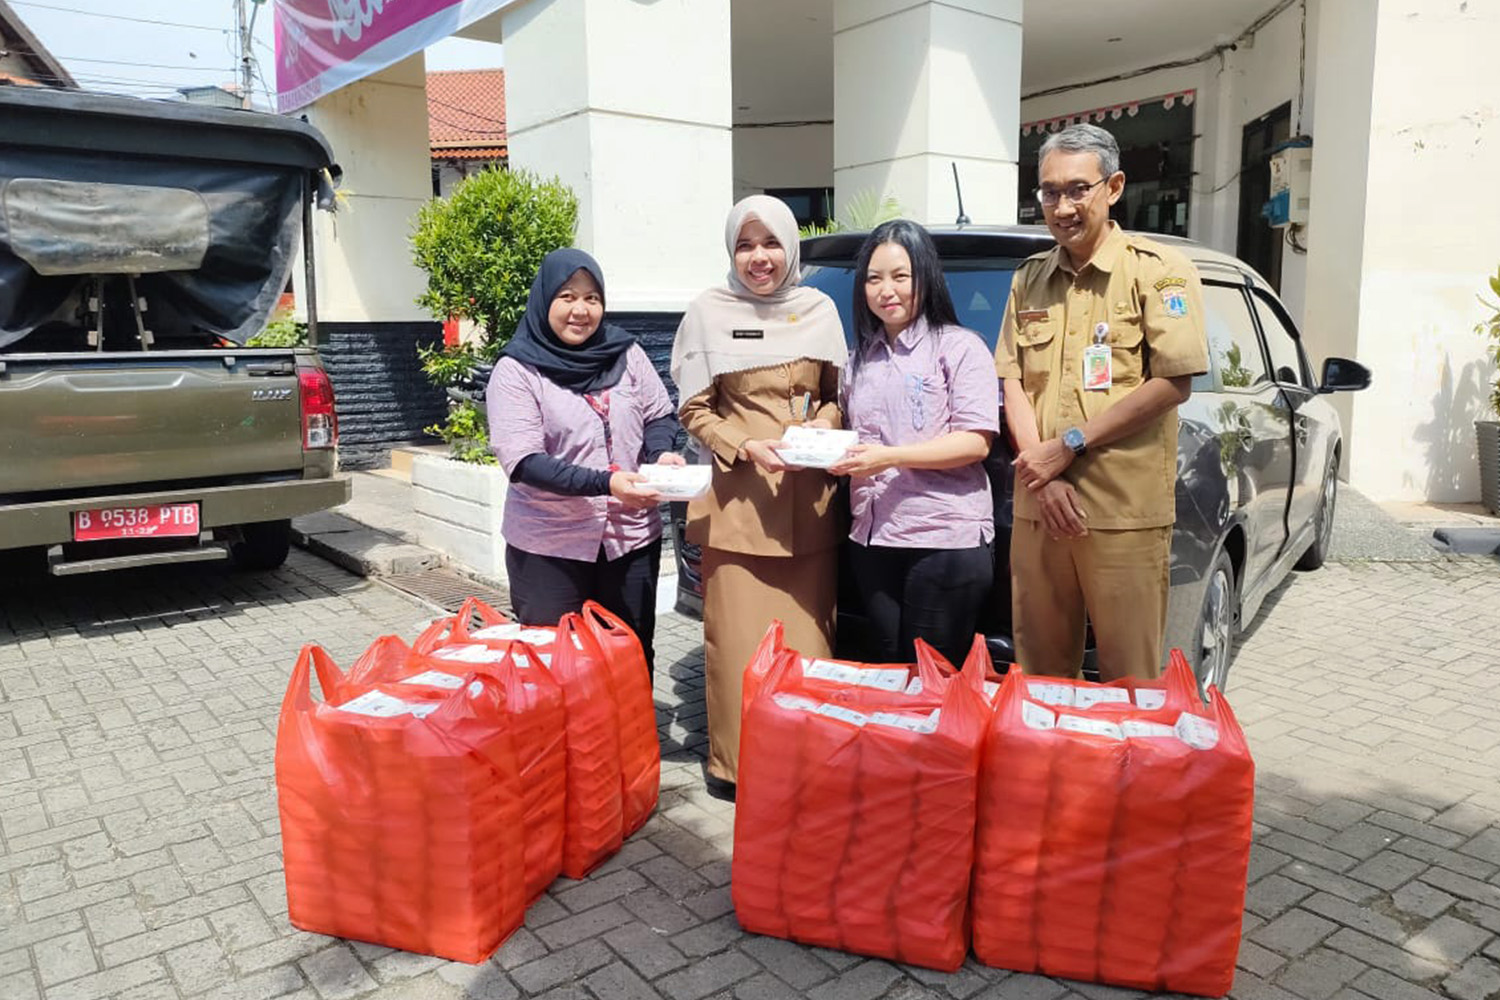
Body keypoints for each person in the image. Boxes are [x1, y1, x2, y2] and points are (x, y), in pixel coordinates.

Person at [995, 123, 1208, 680]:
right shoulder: (1029, 281)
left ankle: (1122, 770)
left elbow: (1174, 381)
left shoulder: (1159, 273)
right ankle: (1048, 769)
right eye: (1049, 192)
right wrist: (1042, 475)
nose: (1061, 206)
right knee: (1039, 671)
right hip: (1040, 507)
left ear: (1112, 187)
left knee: (1128, 677)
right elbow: (1012, 381)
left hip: (1120, 512)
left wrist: (1068, 446)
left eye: (1076, 189)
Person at [670, 194, 848, 789]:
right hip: (740, 506)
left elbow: (834, 394)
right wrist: (744, 445)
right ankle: (737, 767)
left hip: (808, 504)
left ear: (790, 246)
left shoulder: (818, 309)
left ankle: (806, 765)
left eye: (770, 242)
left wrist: (822, 426)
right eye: (745, 245)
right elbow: (694, 409)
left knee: (809, 647)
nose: (759, 257)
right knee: (740, 649)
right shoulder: (708, 312)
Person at [488, 247, 682, 673]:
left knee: (629, 660)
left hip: (630, 542)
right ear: (545, 301)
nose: (581, 310)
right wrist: (608, 483)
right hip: (549, 550)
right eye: (567, 297)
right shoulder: (517, 370)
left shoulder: (625, 353)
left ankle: (630, 742)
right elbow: (524, 463)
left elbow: (659, 413)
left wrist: (661, 453)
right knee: (558, 668)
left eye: (592, 298)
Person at [828, 219, 999, 668]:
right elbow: (849, 427)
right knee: (889, 666)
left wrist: (889, 457)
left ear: (925, 277)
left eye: (900, 277)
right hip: (874, 536)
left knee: (934, 675)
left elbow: (975, 441)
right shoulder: (859, 358)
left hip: (943, 538)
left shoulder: (960, 348)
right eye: (873, 278)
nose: (887, 290)